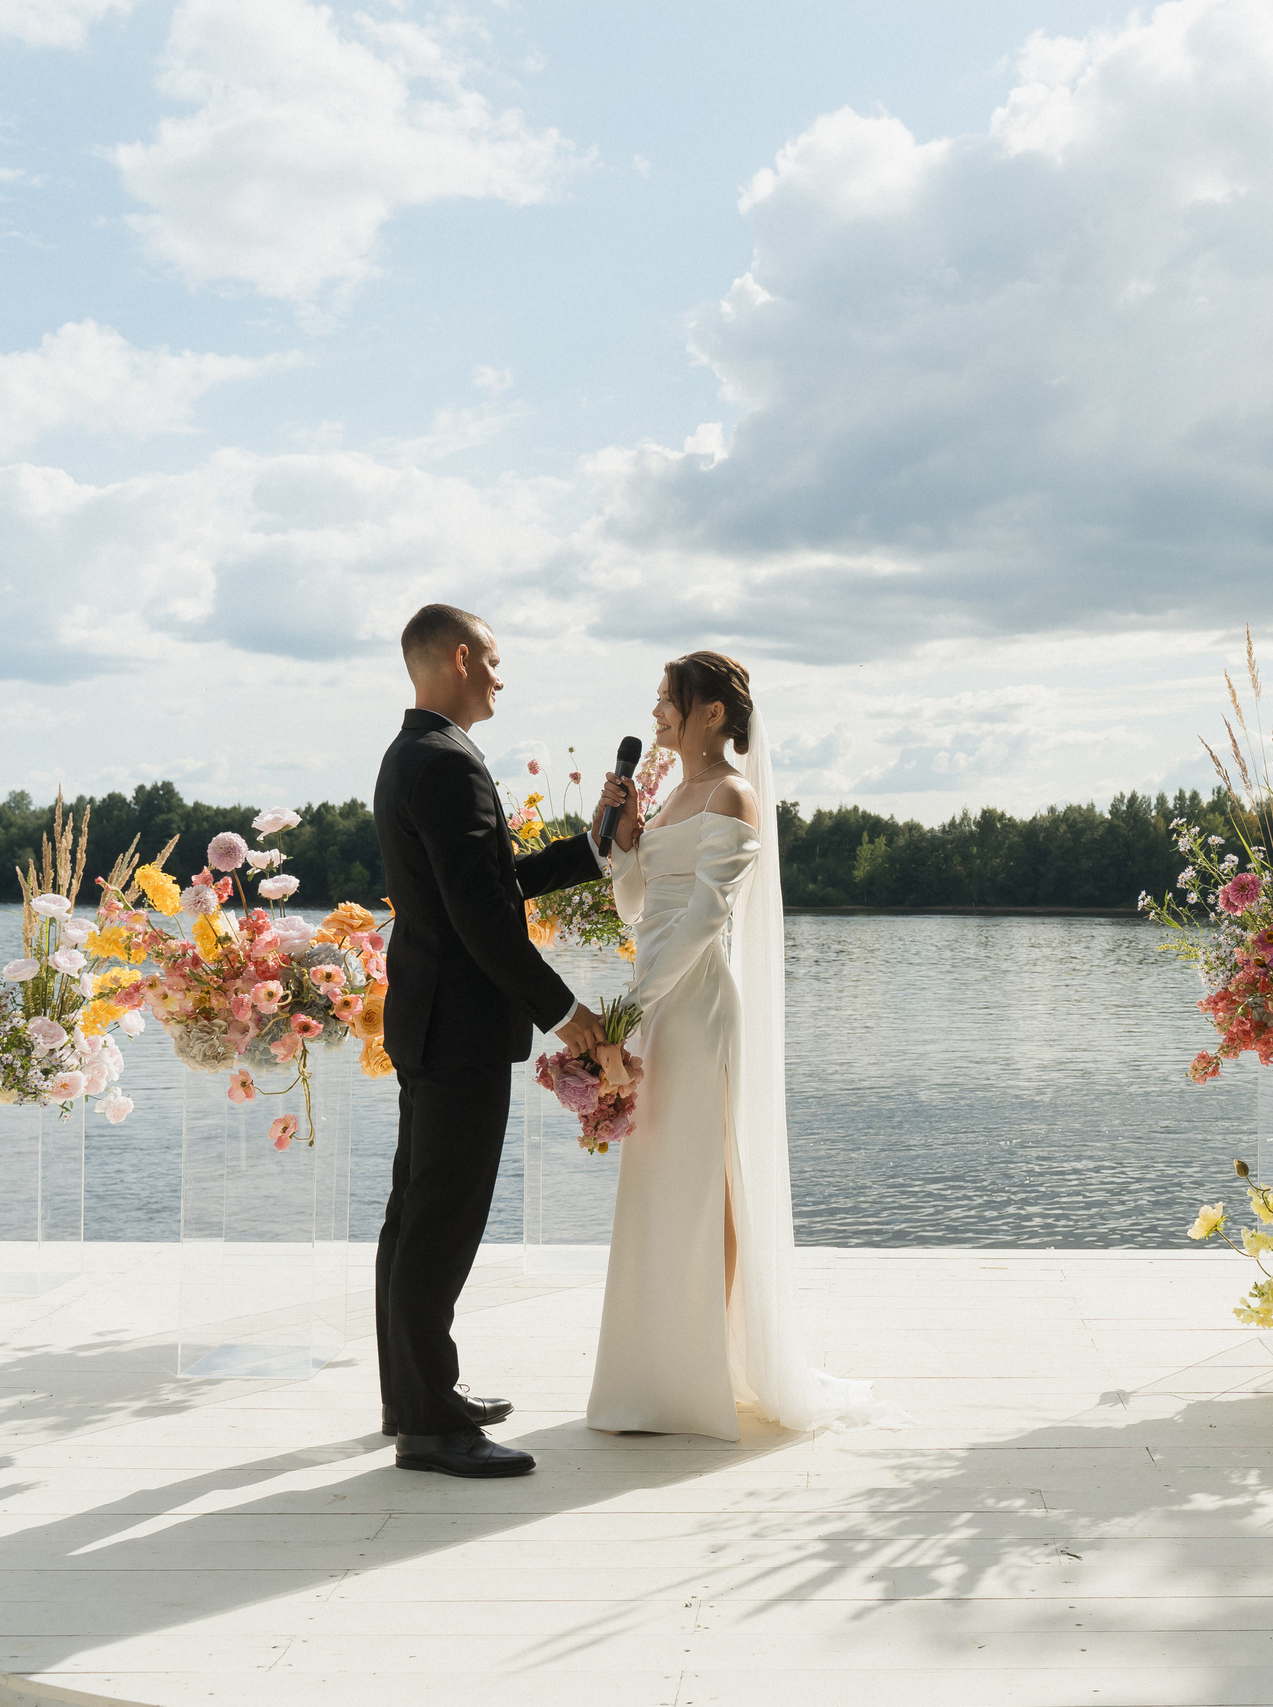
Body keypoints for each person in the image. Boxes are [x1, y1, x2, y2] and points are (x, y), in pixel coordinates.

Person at [585, 650, 899, 1438]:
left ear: (712, 712)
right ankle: (651, 1372)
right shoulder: (666, 796)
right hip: (650, 999)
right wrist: (620, 841)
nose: (656, 712)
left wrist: (631, 1011)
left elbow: (702, 919)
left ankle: (701, 1376)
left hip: (692, 1005)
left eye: (669, 698)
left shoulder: (733, 793)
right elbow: (634, 906)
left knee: (702, 1182)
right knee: (655, 1181)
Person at [372, 603, 637, 1478]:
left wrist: (590, 848)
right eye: (491, 658)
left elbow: (492, 880)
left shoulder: (413, 752)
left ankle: (415, 1395)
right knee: (440, 1221)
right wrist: (565, 1012)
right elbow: (480, 913)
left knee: (416, 1212)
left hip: (430, 1018)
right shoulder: (446, 761)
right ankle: (431, 1427)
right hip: (459, 1027)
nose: (498, 675)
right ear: (458, 656)